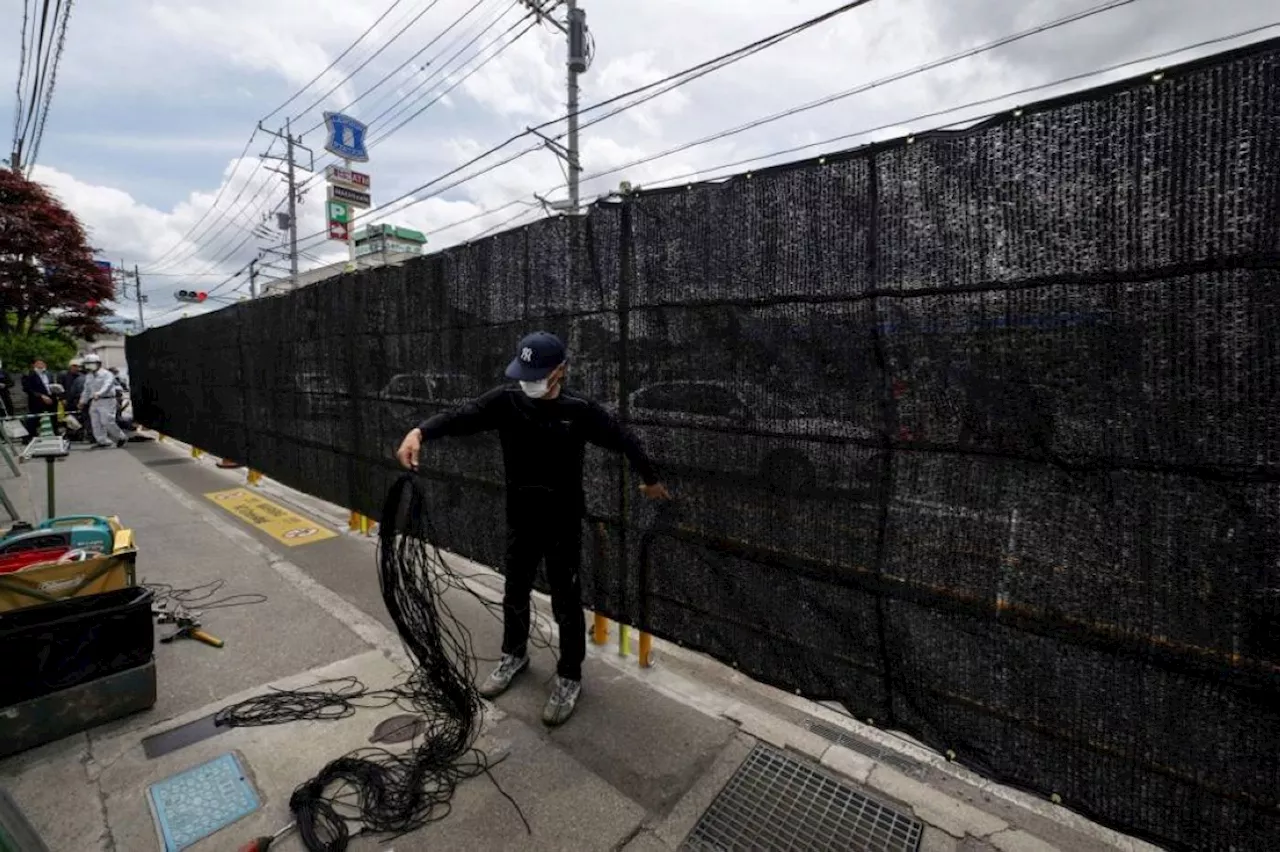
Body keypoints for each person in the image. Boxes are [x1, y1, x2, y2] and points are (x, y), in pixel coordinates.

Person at [396, 331, 670, 726]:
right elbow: (462, 416)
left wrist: (649, 477)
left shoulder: (579, 411)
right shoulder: (505, 402)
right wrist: (419, 431)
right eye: (525, 372)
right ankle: (514, 655)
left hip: (562, 521)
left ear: (560, 371)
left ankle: (570, 677)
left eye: (538, 373)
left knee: (566, 601)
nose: (529, 380)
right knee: (515, 589)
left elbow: (624, 439)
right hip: (520, 517)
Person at [78, 354, 127, 449]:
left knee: (107, 421)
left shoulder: (107, 374)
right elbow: (86, 390)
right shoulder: (89, 376)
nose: (89, 366)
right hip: (95, 401)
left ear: (98, 364)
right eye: (87, 364)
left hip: (107, 400)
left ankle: (121, 437)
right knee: (95, 422)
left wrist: (99, 393)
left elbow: (107, 385)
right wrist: (82, 401)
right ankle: (102, 441)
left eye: (91, 363)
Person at [21, 359, 57, 435]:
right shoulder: (29, 375)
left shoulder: (48, 374)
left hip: (50, 398)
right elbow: (27, 389)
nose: (41, 366)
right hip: (36, 400)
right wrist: (41, 396)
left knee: (52, 416)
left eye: (43, 364)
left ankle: (54, 432)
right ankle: (29, 435)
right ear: (34, 365)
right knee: (34, 418)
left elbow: (49, 385)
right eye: (39, 364)